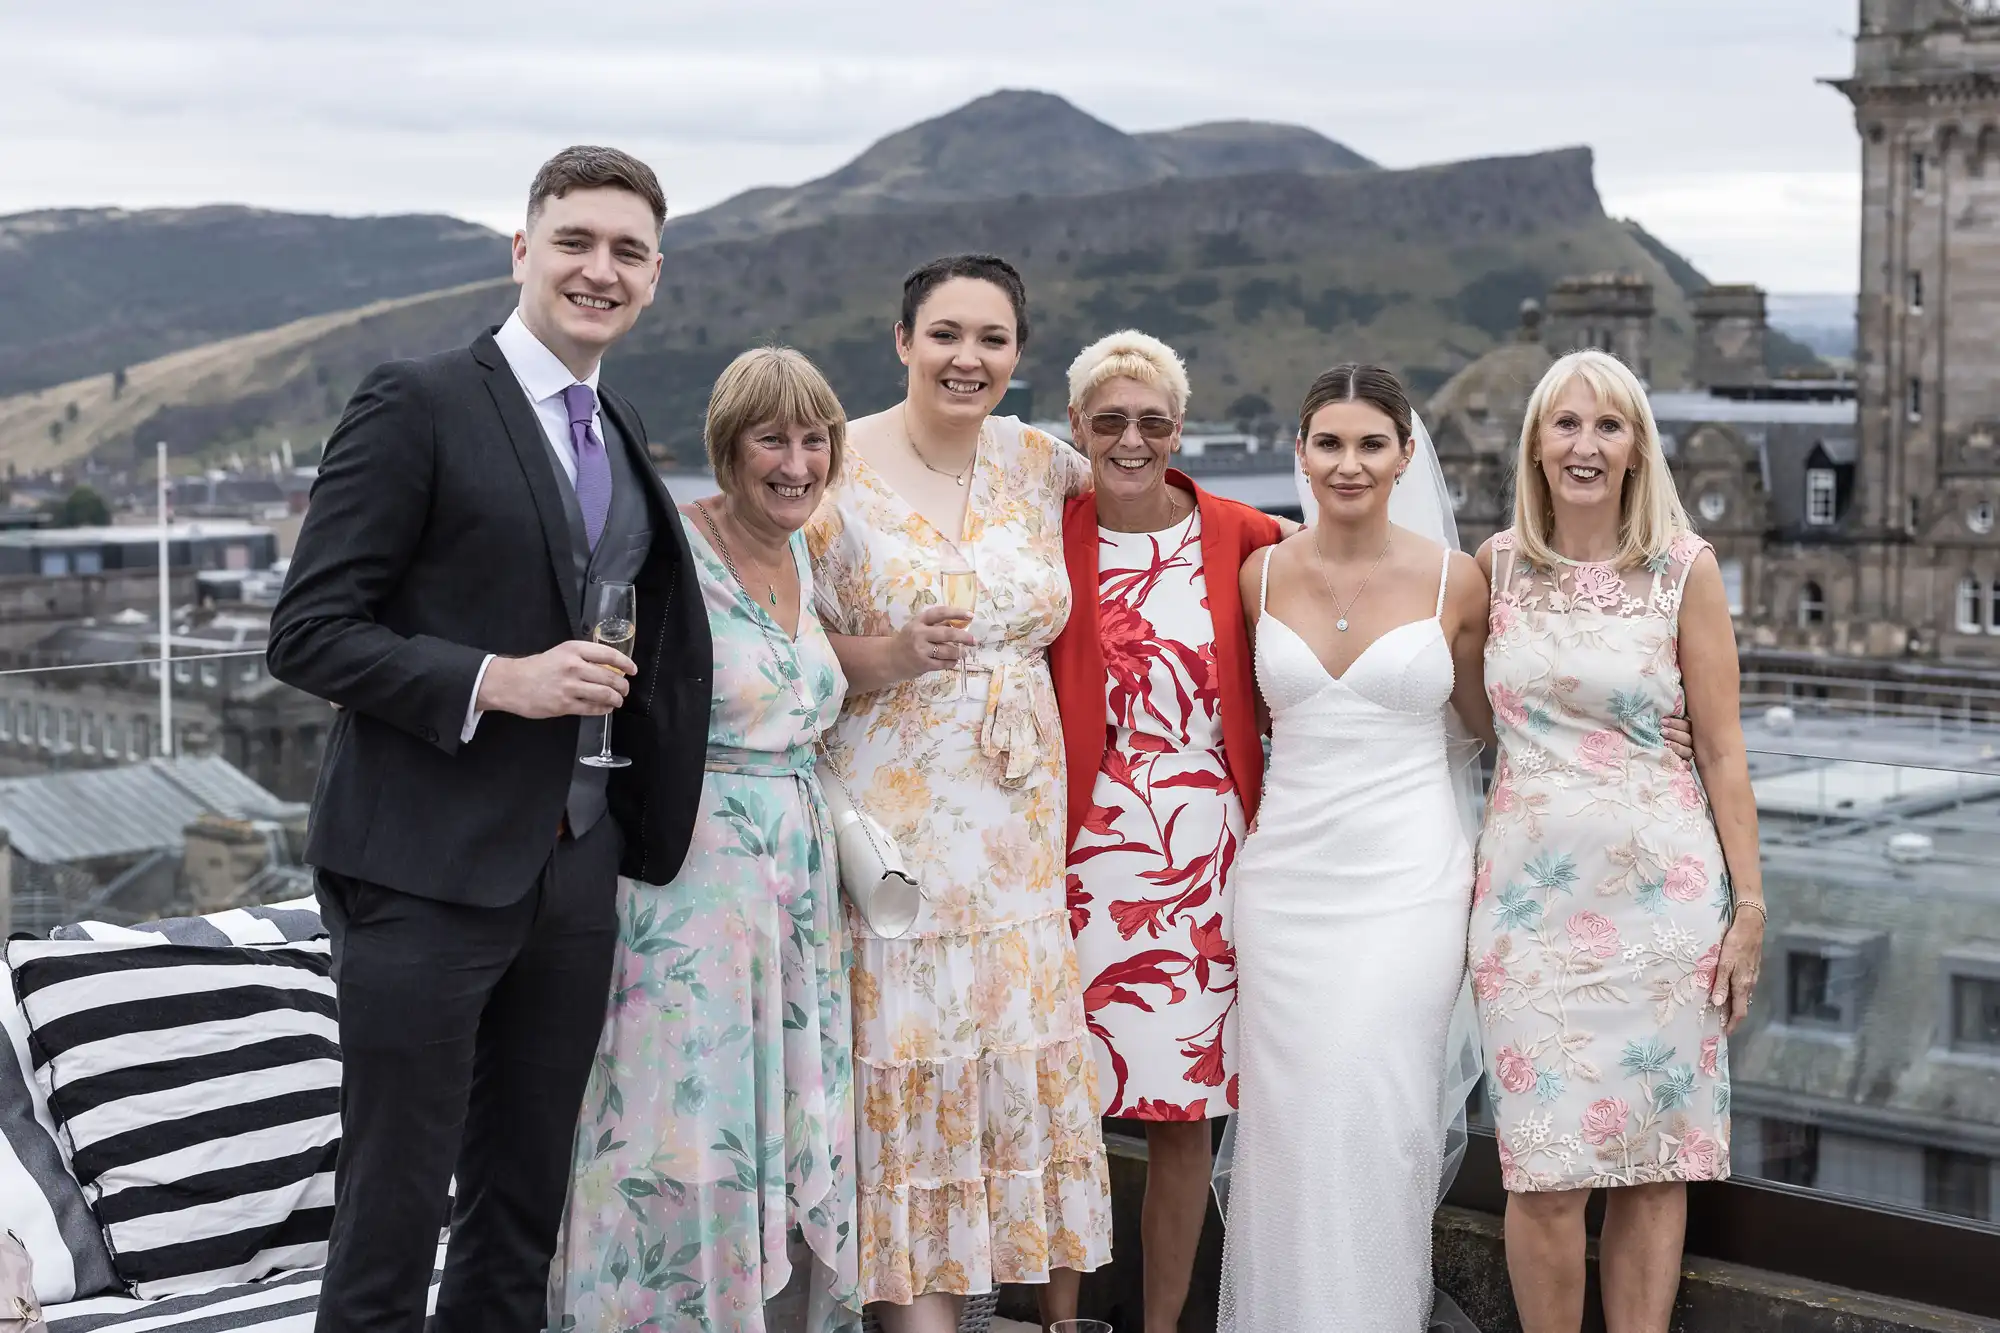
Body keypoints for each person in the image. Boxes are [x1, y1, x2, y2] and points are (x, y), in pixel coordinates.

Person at [267, 146, 711, 1333]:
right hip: (421, 865)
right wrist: (497, 681)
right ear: (522, 251)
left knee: (521, 1208)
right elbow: (307, 632)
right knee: (393, 1203)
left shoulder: (613, 431)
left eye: (626, 252)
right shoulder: (415, 398)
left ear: (654, 278)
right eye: (574, 241)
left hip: (572, 865)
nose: (597, 269)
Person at [804, 254, 1112, 1332]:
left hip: (1016, 839)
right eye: (944, 334)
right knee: (910, 1077)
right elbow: (766, 627)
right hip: (894, 828)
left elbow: (1158, 487)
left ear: (1017, 355)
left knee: (994, 1080)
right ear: (901, 342)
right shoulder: (831, 466)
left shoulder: (1039, 463)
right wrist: (882, 651)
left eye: (990, 339)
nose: (966, 357)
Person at [550, 348, 860, 1332]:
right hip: (690, 887)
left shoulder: (807, 552)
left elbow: (792, 674)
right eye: (772, 438)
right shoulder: (671, 551)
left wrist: (893, 654)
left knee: (770, 1116)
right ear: (727, 448)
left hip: (796, 884)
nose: (796, 462)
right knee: (679, 1126)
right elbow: (598, 689)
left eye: (815, 440)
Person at [1471, 349, 1763, 1333]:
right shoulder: (1494, 566)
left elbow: (1722, 753)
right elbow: (1470, 719)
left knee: (1652, 1161)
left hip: (1662, 909)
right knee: (1540, 1173)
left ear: (1635, 447)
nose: (1583, 444)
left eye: (1605, 425)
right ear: (1534, 444)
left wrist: (1749, 907)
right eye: (1564, 424)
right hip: (1525, 914)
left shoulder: (1685, 570)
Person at [1216, 364, 1494, 1331]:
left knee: (1376, 1115)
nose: (1349, 462)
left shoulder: (1460, 579)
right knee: (1289, 1131)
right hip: (1286, 888)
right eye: (1328, 443)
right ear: (1300, 453)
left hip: (1408, 886)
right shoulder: (1258, 574)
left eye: (1371, 443)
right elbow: (1241, 727)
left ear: (1405, 455)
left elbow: (1491, 721)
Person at [1045, 330, 1279, 1333]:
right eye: (1109, 420)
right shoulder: (1042, 534)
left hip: (1204, 857)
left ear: (1178, 428)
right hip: (1068, 852)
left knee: (1184, 1115)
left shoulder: (1247, 538)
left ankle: (1159, 1322)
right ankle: (1059, 1318)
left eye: (1150, 420)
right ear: (1076, 429)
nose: (1130, 438)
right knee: (1064, 1104)